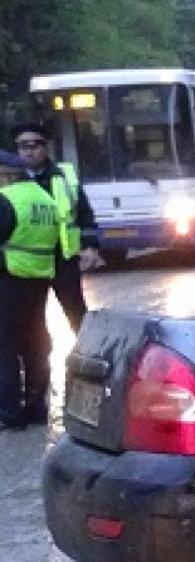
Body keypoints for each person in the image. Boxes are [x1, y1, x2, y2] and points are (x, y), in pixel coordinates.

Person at [11, 122, 98, 333]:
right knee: (32, 320)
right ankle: (37, 364)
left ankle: (89, 357)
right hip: (28, 263)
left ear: (46, 147)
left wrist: (90, 246)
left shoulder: (64, 176)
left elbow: (84, 213)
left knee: (77, 313)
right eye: (23, 146)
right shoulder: (9, 179)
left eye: (35, 145)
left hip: (63, 258)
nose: (29, 151)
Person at [0, 150, 60, 430]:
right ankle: (36, 409)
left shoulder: (7, 199)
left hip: (9, 278)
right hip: (38, 280)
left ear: (7, 173)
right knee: (35, 344)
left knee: (5, 347)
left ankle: (9, 414)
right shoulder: (43, 198)